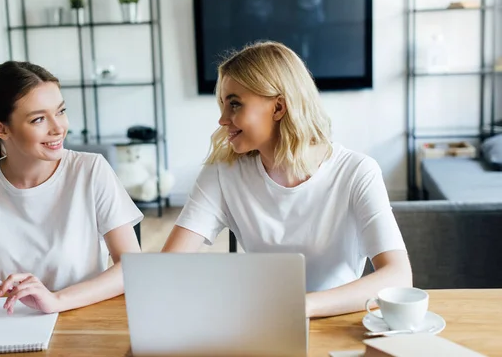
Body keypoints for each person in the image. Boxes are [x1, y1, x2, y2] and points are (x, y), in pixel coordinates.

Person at [162, 41, 412, 318]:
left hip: (340, 321)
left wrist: (301, 307)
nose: (222, 119)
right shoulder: (222, 173)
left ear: (278, 108)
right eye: (222, 105)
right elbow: (167, 267)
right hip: (263, 322)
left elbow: (398, 277)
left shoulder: (357, 172)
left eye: (234, 104)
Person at [0, 61, 142, 319]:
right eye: (39, 119)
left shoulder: (90, 170)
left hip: (83, 320)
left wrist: (55, 300)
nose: (58, 127)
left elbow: (132, 267)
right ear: (0, 128)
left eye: (61, 111)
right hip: (8, 326)